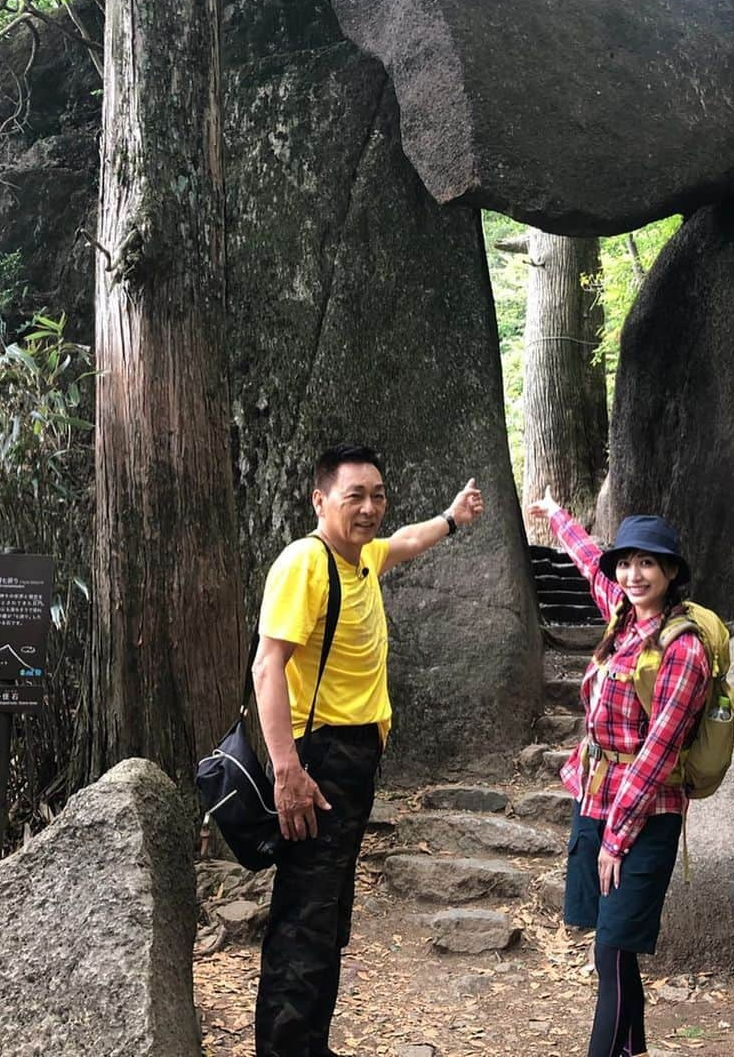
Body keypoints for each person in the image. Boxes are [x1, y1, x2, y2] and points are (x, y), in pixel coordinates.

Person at [253, 443, 483, 1057]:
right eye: (354, 495)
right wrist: (288, 771)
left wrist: (452, 518)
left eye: (377, 495)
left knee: (328, 912)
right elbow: (267, 667)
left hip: (353, 759)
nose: (369, 508)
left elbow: (406, 541)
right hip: (318, 759)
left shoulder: (360, 560)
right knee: (306, 915)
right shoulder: (307, 561)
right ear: (320, 500)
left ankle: (310, 1043)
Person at [527, 488, 711, 1057]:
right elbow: (590, 563)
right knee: (615, 947)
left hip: (646, 812)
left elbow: (659, 751)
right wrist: (556, 515)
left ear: (670, 571)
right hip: (596, 795)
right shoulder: (624, 619)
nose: (632, 574)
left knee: (611, 948)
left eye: (646, 562)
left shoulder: (684, 651)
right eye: (627, 562)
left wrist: (616, 837)